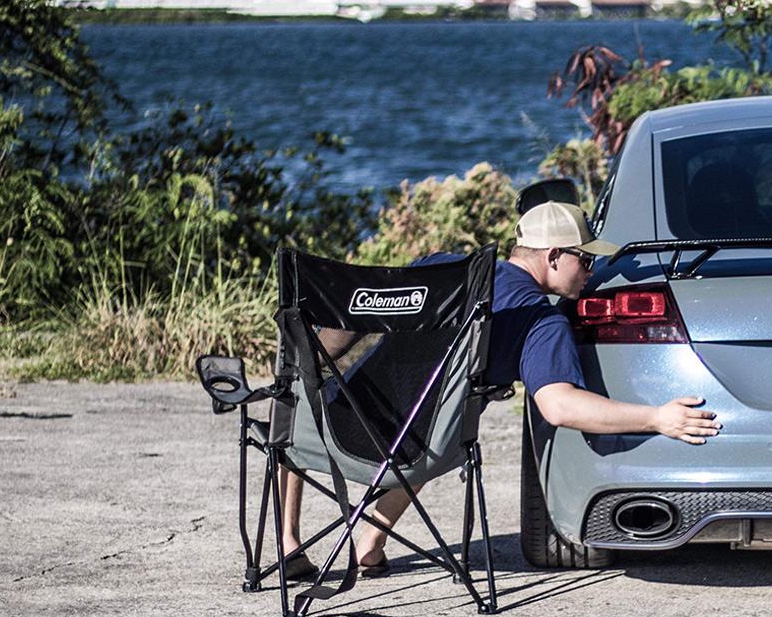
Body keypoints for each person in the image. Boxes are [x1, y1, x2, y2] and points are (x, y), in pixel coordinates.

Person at [279, 201, 719, 579]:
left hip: (333, 427)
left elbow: (338, 331)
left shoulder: (439, 269)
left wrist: (303, 367)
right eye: (585, 261)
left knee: (294, 398)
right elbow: (559, 406)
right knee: (442, 424)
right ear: (553, 257)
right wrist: (656, 417)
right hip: (417, 452)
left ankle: (291, 542)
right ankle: (369, 543)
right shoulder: (540, 321)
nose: (592, 271)